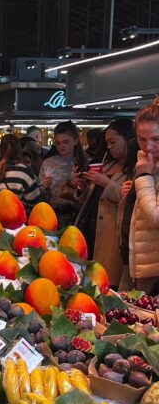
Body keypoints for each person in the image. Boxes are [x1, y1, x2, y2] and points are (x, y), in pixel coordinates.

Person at [75, 118, 136, 288]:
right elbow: (93, 199)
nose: (109, 146)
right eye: (107, 142)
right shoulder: (107, 163)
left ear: (128, 139)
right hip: (92, 230)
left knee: (106, 283)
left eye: (113, 142)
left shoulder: (136, 169)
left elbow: (131, 202)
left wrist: (106, 183)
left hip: (113, 235)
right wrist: (82, 187)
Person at [119, 99, 159, 292]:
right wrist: (131, 195)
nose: (148, 146)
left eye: (156, 139)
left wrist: (143, 178)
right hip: (135, 257)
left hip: (154, 267)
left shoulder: (145, 167)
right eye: (142, 139)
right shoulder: (145, 161)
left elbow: (155, 218)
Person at [38, 121, 87, 221]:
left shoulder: (85, 163)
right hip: (52, 214)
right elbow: (40, 195)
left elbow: (90, 196)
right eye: (58, 143)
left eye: (66, 142)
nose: (61, 146)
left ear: (75, 141)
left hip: (78, 215)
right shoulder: (48, 163)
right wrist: (46, 187)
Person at [0, 134, 40, 210]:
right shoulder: (24, 172)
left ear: (1, 149)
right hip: (18, 217)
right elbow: (34, 201)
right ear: (19, 149)